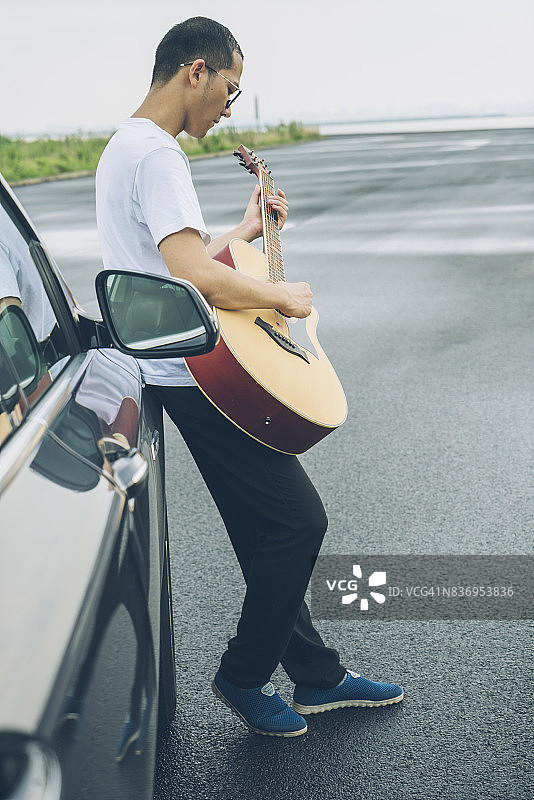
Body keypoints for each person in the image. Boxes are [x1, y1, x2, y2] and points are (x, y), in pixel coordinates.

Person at [96, 16, 403, 738]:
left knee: (261, 526)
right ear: (194, 71)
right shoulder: (158, 156)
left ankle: (318, 676)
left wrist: (245, 234)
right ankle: (242, 673)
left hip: (172, 364)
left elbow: (172, 256)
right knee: (298, 522)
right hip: (192, 369)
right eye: (228, 89)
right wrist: (281, 295)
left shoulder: (128, 145)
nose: (228, 109)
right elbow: (194, 275)